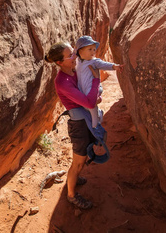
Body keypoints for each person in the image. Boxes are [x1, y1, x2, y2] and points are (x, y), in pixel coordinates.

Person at [44, 41, 100, 209]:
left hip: (85, 120)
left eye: (73, 52)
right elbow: (89, 102)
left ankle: (74, 176)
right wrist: (96, 80)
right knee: (78, 162)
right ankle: (71, 195)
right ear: (59, 63)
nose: (74, 56)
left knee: (83, 157)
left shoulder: (74, 71)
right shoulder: (63, 82)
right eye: (70, 55)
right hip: (79, 125)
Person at [74, 35, 123, 129]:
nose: (93, 51)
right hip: (81, 89)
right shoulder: (78, 61)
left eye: (94, 49)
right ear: (80, 51)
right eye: (90, 49)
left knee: (92, 108)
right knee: (86, 106)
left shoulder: (94, 62)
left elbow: (104, 64)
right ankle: (99, 114)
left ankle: (96, 126)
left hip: (91, 89)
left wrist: (114, 66)